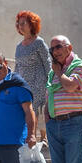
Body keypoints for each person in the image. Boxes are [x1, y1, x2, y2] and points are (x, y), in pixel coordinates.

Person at [14, 11, 52, 142]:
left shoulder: (39, 42)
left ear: (32, 24)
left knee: (34, 108)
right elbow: (17, 66)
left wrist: (50, 81)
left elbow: (47, 62)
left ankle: (40, 137)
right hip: (23, 83)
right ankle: (31, 137)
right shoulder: (19, 46)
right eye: (18, 24)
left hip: (38, 81)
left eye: (23, 23)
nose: (20, 26)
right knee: (26, 110)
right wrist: (14, 81)